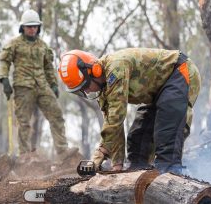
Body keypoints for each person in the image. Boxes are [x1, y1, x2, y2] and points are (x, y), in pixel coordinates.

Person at [57, 48, 201, 174]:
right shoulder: (104, 90)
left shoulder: (115, 68)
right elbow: (114, 126)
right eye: (81, 90)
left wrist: (99, 153)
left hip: (180, 72)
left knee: (166, 132)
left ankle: (173, 179)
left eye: (85, 86)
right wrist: (117, 165)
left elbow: (116, 118)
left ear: (94, 71)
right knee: (137, 140)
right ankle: (139, 176)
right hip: (158, 91)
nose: (87, 91)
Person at [0, 9, 78, 161]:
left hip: (42, 86)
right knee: (24, 122)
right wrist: (4, 79)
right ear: (22, 27)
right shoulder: (14, 44)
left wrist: (54, 84)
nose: (32, 29)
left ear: (38, 27)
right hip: (23, 87)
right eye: (29, 26)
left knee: (56, 114)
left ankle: (62, 150)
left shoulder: (43, 46)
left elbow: (49, 67)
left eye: (35, 26)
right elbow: (4, 61)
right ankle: (25, 155)